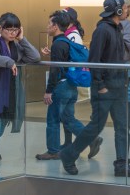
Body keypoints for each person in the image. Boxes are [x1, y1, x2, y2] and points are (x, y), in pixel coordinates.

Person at [60, 0, 130, 178]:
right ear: (119, 11)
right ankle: (69, 155)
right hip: (106, 88)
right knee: (96, 126)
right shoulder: (103, 30)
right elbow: (94, 60)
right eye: (125, 8)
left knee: (122, 127)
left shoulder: (117, 28)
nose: (127, 10)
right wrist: (100, 85)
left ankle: (122, 165)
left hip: (119, 86)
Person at [0, 12, 40, 185]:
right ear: (0, 28)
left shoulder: (16, 46)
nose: (12, 33)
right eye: (8, 29)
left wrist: (23, 39)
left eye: (15, 29)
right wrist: (8, 62)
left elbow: (35, 57)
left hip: (9, 96)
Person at [36, 11, 102, 161]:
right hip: (71, 86)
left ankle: (53, 151)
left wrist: (48, 91)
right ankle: (92, 139)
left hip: (61, 87)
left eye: (49, 23)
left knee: (53, 119)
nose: (47, 26)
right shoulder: (66, 42)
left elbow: (55, 70)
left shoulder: (58, 44)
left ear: (56, 26)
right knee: (68, 118)